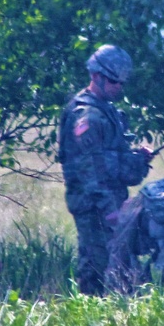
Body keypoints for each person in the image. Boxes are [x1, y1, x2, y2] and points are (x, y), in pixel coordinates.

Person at [59, 44, 152, 294]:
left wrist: (137, 159)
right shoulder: (87, 116)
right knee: (105, 268)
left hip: (110, 202)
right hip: (96, 207)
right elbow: (91, 174)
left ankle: (100, 309)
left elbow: (111, 160)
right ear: (96, 76)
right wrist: (111, 212)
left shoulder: (107, 110)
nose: (118, 87)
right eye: (113, 81)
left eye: (122, 82)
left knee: (107, 267)